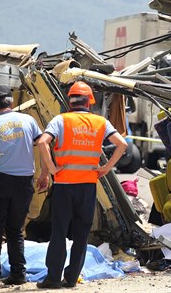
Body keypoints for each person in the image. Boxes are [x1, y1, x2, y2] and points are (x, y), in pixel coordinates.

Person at [36, 81, 127, 289]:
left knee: (59, 232)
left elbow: (42, 142)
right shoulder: (100, 122)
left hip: (64, 185)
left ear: (70, 101)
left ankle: (53, 278)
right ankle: (71, 278)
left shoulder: (61, 120)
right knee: (81, 234)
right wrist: (107, 167)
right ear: (90, 102)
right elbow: (122, 144)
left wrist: (51, 169)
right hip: (87, 186)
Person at [0, 85, 48, 287]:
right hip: (24, 182)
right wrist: (45, 173)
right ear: (12, 103)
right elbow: (42, 144)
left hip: (0, 181)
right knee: (15, 230)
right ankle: (18, 273)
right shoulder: (28, 120)